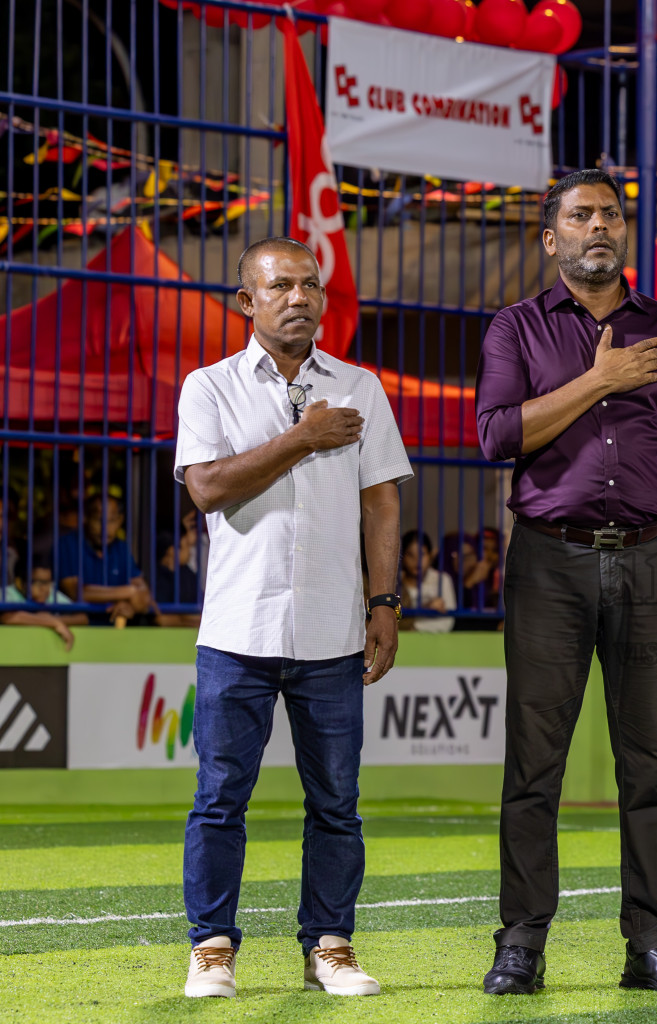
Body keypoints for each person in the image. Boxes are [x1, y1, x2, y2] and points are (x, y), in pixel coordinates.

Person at [475, 168, 657, 997]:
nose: (599, 228)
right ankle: (521, 941)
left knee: (647, 763)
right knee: (533, 763)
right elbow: (496, 436)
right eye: (580, 216)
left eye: (610, 216)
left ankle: (650, 944)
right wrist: (598, 382)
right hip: (549, 558)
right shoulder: (517, 329)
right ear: (551, 239)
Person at [175, 236, 413, 1000]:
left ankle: (330, 949)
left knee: (336, 804)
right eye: (280, 286)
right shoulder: (208, 386)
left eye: (310, 285)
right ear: (247, 301)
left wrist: (384, 602)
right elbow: (208, 487)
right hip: (237, 632)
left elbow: (382, 499)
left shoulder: (359, 386)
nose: (300, 297)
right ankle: (211, 949)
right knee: (220, 800)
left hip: (333, 632)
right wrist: (303, 437)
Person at [57, 493, 155, 624]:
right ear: (85, 518)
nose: (105, 528)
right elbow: (75, 592)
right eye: (99, 520)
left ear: (120, 520)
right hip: (78, 630)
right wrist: (128, 592)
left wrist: (131, 607)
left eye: (112, 521)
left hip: (114, 632)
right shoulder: (68, 544)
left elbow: (144, 597)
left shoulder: (121, 548)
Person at [2, 563, 83, 649]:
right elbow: (8, 617)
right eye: (38, 582)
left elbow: (82, 617)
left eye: (48, 582)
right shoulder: (6, 594)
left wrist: (46, 619)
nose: (44, 588)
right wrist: (54, 623)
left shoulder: (52, 594)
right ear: (19, 583)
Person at [400, 529, 455, 633]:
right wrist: (425, 609)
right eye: (410, 555)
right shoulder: (395, 582)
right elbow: (393, 618)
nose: (417, 560)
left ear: (431, 555)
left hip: (436, 643)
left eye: (422, 554)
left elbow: (448, 621)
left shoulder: (442, 580)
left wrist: (411, 627)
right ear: (402, 557)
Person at [153, 528, 203, 628]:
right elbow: (161, 619)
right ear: (171, 551)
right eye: (186, 546)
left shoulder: (188, 573)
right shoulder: (157, 577)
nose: (190, 551)